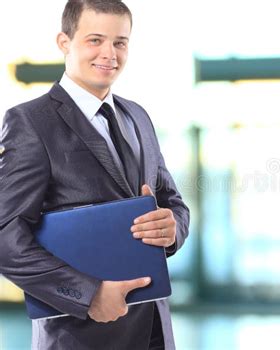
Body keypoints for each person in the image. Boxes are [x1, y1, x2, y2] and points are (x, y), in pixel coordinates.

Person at [0, 0, 189, 349]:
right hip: (80, 335)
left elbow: (171, 200)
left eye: (120, 42)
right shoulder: (30, 122)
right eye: (95, 40)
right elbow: (5, 237)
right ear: (64, 42)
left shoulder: (137, 116)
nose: (110, 53)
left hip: (154, 331)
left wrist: (173, 227)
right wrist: (88, 295)